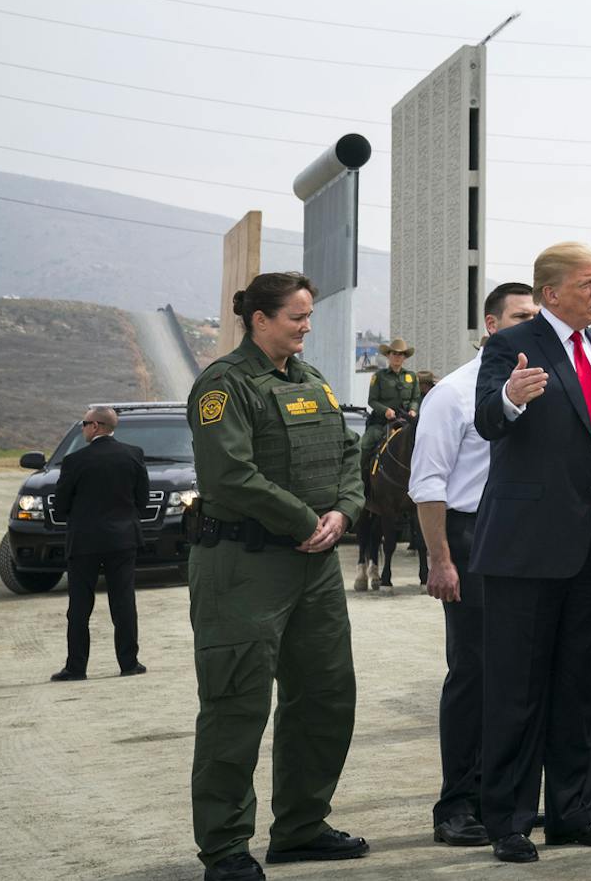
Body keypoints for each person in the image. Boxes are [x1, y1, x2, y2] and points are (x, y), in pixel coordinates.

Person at [472, 243, 591, 864]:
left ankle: (575, 812)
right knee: (517, 688)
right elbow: (488, 420)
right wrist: (513, 397)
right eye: (587, 283)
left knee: (579, 687)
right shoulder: (511, 344)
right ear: (551, 293)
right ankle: (510, 819)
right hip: (527, 547)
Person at [186, 271, 369, 881]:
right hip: (245, 566)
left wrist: (343, 511)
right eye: (296, 316)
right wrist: (303, 520)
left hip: (313, 565)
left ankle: (300, 827)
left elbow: (348, 453)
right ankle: (225, 848)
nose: (307, 326)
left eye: (309, 314)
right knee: (235, 705)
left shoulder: (311, 381)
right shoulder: (225, 385)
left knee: (324, 697)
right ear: (260, 319)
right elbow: (227, 475)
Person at [409, 282, 539, 848]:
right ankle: (455, 805)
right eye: (517, 318)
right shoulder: (454, 394)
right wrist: (440, 559)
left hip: (523, 540)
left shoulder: (538, 388)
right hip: (468, 537)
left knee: (516, 676)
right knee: (474, 675)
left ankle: (498, 797)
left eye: (535, 317)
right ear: (491, 325)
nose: (526, 327)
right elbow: (428, 484)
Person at [48, 404, 149, 681]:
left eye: (84, 423)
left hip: (84, 542)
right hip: (123, 539)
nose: (82, 428)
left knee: (80, 605)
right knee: (124, 601)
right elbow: (142, 500)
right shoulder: (133, 455)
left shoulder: (75, 461)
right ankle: (129, 663)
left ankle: (76, 667)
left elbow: (60, 506)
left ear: (95, 426)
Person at [354, 338, 420, 591]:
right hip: (382, 423)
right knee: (365, 447)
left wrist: (413, 409)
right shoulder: (378, 377)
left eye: (401, 355)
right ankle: (361, 488)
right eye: (394, 355)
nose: (397, 358)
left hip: (405, 422)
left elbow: (415, 398)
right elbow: (373, 401)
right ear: (388, 356)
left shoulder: (411, 377)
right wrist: (386, 411)